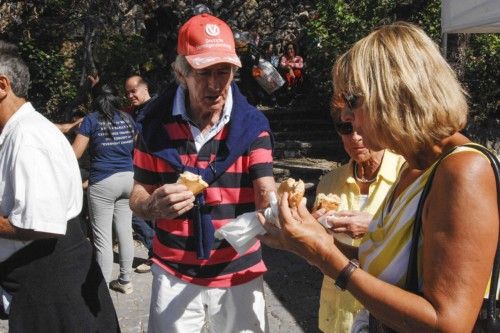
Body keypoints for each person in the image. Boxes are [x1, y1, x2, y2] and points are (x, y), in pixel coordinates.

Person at [258, 22, 499, 332]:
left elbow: (448, 323)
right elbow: (390, 265)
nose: (345, 116)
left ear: (396, 92)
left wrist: (328, 258)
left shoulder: (463, 170)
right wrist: (306, 242)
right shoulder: (412, 166)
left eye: (353, 101)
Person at [129, 13, 275, 333]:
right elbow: (138, 192)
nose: (214, 84)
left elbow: (267, 190)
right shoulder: (153, 126)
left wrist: (277, 208)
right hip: (173, 271)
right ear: (182, 72)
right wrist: (151, 205)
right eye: (203, 72)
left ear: (234, 71)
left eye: (222, 71)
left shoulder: (252, 127)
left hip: (240, 272)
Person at [0, 40, 119, 331]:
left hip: (53, 291)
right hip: (45, 286)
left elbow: (44, 224)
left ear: (2, 86)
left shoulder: (28, 138)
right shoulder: (22, 132)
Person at [315, 118, 405, 332]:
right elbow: (322, 250)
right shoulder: (329, 182)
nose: (355, 137)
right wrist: (310, 229)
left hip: (385, 314)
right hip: (337, 313)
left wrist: (375, 227)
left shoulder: (407, 173)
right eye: (346, 128)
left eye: (364, 126)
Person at [72, 83, 136, 294]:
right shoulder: (128, 119)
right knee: (126, 230)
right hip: (129, 178)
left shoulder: (91, 120)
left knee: (102, 238)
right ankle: (126, 281)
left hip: (102, 183)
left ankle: (100, 290)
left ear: (95, 100)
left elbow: (75, 155)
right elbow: (136, 148)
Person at [124, 75, 155, 273]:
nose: (130, 96)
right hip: (136, 167)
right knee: (138, 210)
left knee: (140, 212)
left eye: (133, 91)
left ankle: (156, 253)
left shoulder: (156, 109)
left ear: (145, 89)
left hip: (154, 170)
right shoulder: (132, 112)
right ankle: (157, 252)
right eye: (127, 93)